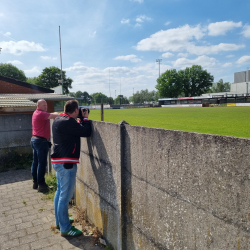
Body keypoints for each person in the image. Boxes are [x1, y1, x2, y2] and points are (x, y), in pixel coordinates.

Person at [51, 100, 92, 237]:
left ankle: (60, 221)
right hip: (66, 163)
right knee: (65, 196)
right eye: (78, 110)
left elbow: (75, 128)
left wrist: (80, 119)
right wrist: (85, 118)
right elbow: (86, 131)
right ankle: (65, 228)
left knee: (59, 192)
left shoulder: (59, 119)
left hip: (58, 161)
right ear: (75, 110)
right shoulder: (68, 122)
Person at [31, 99, 59, 192]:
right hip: (40, 142)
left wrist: (54, 113)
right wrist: (60, 113)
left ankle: (35, 182)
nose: (46, 107)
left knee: (35, 162)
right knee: (41, 164)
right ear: (38, 106)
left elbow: (51, 114)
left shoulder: (36, 113)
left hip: (35, 140)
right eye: (43, 105)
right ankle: (42, 185)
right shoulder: (41, 114)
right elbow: (54, 115)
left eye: (46, 105)